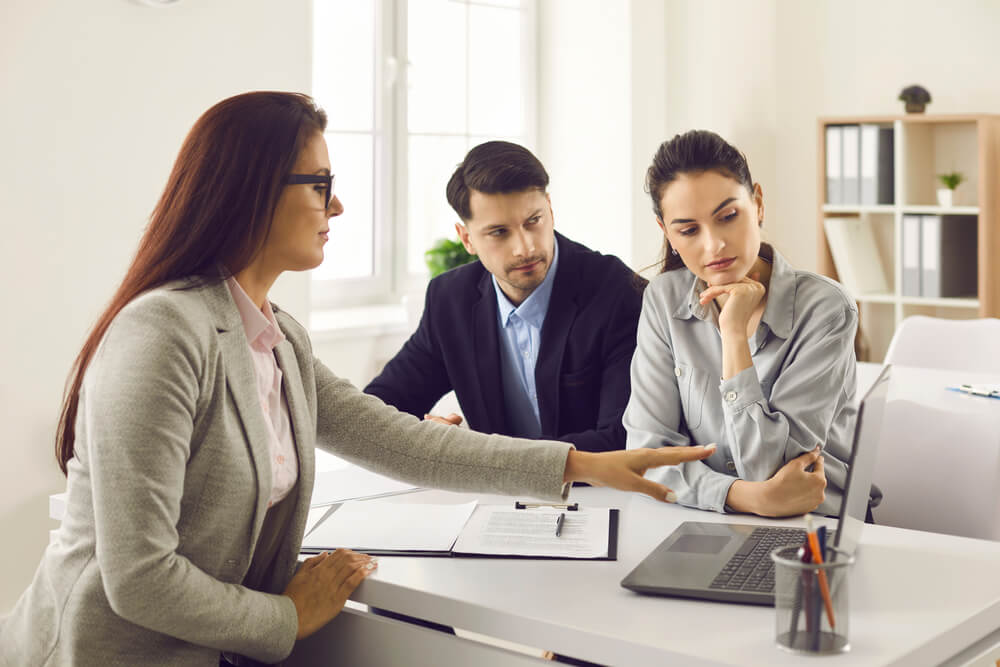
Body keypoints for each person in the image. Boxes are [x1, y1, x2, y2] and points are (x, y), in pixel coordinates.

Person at [0, 92, 714, 667]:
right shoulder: (162, 334)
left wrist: (582, 463)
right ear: (253, 193)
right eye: (321, 185)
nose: (336, 206)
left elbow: (401, 440)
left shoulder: (277, 336)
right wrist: (286, 614)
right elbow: (138, 576)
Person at [623, 129, 859, 519]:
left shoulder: (826, 309)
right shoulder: (664, 299)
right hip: (706, 519)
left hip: (815, 528)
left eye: (728, 217)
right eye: (688, 230)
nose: (713, 245)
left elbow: (769, 469)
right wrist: (742, 497)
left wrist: (733, 337)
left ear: (759, 204)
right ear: (667, 232)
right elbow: (646, 454)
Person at [365, 141, 644, 454]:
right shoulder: (450, 301)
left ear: (550, 210)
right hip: (495, 500)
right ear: (467, 238)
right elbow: (376, 411)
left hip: (603, 496)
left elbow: (621, 440)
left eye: (533, 221)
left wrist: (470, 453)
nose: (524, 247)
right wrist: (429, 438)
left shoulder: (618, 291)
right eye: (499, 232)